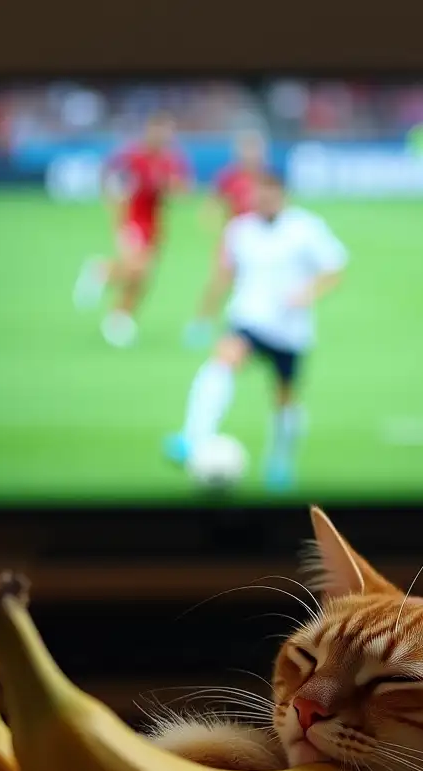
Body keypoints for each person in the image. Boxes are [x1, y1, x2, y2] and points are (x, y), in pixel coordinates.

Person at [164, 167, 347, 491]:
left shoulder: (305, 228)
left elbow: (335, 268)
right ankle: (193, 436)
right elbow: (224, 275)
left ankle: (280, 461)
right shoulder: (240, 229)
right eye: (259, 196)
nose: (264, 201)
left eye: (270, 195)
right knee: (223, 360)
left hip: (290, 331)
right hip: (248, 318)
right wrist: (203, 317)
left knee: (285, 399)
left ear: (282, 196)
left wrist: (308, 292)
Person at [73, 110, 191, 347]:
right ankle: (101, 271)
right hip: (133, 221)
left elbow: (182, 189)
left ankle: (118, 319)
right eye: (160, 130)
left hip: (154, 225)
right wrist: (111, 197)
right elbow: (108, 172)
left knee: (141, 279)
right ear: (150, 131)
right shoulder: (134, 156)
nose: (164, 136)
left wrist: (170, 188)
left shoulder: (169, 161)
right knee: (138, 269)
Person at [183, 129, 268, 349]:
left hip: (262, 240)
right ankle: (200, 324)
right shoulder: (230, 177)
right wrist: (211, 220)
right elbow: (213, 203)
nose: (252, 154)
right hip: (236, 239)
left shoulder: (266, 178)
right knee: (220, 283)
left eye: (256, 149)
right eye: (248, 150)